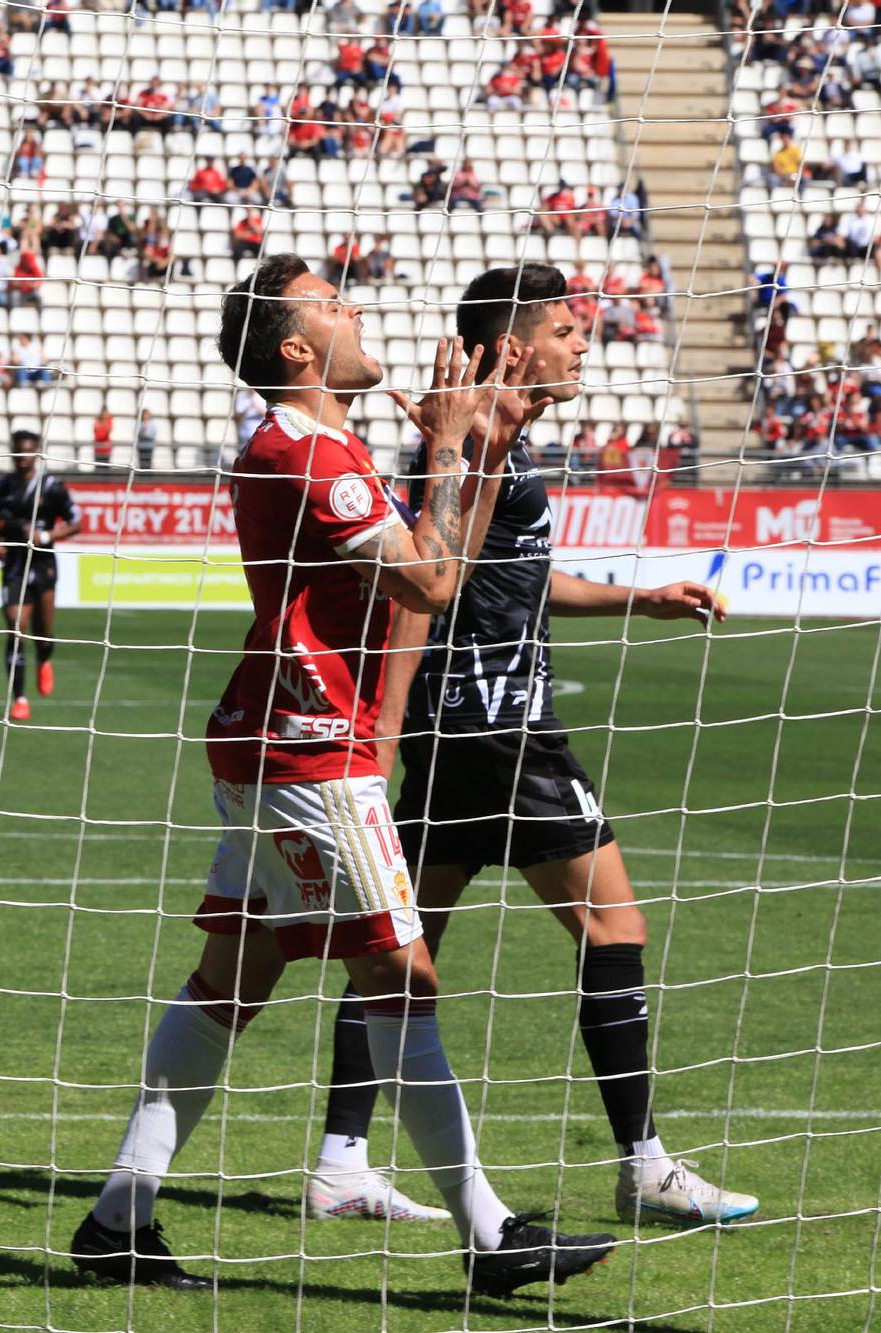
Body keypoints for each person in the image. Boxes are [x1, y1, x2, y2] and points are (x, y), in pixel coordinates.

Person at [67, 252, 617, 1297]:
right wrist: (452, 449)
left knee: (234, 977)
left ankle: (116, 1221)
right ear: (294, 347)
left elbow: (428, 561)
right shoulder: (311, 456)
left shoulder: (313, 444)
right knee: (400, 979)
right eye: (331, 304)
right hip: (311, 748)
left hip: (276, 737)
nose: (355, 310)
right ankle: (490, 1236)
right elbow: (436, 577)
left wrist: (476, 448)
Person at [302, 265, 754, 1229]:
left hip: (456, 733)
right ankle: (645, 1165)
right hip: (503, 734)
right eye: (566, 328)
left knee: (402, 951)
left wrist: (642, 596)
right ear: (515, 347)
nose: (582, 344)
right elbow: (423, 581)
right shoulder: (482, 437)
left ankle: (341, 1161)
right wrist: (377, 731)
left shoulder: (483, 433)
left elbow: (516, 579)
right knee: (612, 928)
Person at [0, 429, 78, 721]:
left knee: (44, 631)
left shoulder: (52, 487)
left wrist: (47, 535)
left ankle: (44, 659)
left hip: (43, 564)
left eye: (28, 452)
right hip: (13, 566)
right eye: (18, 452)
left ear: (36, 453)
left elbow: (76, 522)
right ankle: (20, 699)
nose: (23, 458)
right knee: (15, 627)